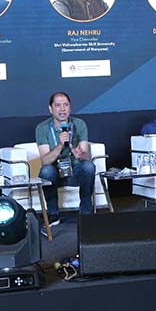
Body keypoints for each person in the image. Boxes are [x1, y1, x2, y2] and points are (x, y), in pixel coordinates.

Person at [35, 92, 96, 225]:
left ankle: (86, 213)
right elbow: (45, 161)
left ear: (70, 107)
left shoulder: (79, 124)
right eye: (58, 105)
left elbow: (85, 155)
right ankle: (53, 214)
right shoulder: (42, 128)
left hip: (75, 171)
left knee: (89, 166)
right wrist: (60, 145)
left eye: (66, 105)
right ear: (51, 108)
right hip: (55, 174)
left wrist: (80, 155)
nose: (62, 109)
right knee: (46, 171)